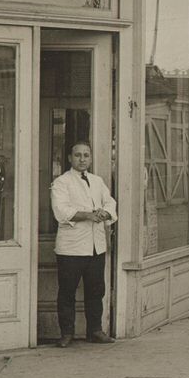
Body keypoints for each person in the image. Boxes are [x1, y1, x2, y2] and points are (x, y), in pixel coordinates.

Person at [50, 141, 117, 347]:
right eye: (77, 155)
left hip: (96, 246)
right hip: (71, 248)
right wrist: (89, 215)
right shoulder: (62, 182)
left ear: (90, 158)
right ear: (70, 158)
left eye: (86, 155)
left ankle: (95, 331)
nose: (82, 159)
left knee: (96, 290)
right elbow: (61, 211)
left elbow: (110, 202)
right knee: (67, 291)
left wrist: (105, 213)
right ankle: (67, 333)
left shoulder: (97, 181)